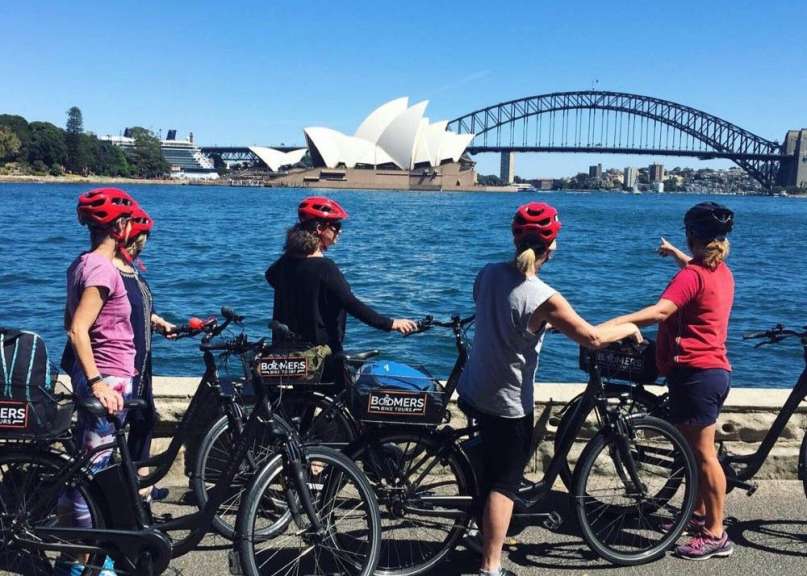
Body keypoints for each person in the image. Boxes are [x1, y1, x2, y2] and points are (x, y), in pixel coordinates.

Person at [456, 202, 642, 576]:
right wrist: (627, 328)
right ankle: (490, 566)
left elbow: (502, 314)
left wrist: (541, 326)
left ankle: (480, 532)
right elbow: (591, 337)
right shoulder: (543, 295)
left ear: (513, 237)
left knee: (489, 466)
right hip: (507, 401)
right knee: (504, 483)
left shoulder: (488, 273)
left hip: (474, 387)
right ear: (552, 246)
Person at [602, 201, 735, 561]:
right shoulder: (719, 270)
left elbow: (663, 310)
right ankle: (699, 516)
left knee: (704, 456)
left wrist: (617, 322)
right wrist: (676, 254)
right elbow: (694, 276)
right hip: (712, 373)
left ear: (692, 234)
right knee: (696, 452)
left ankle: (716, 534)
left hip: (695, 374)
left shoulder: (692, 276)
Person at [58, 187, 139, 576]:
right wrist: (97, 383)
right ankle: (77, 564)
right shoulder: (104, 268)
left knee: (96, 470)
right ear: (119, 225)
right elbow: (77, 329)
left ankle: (91, 556)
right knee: (89, 475)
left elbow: (67, 321)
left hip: (105, 376)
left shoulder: (81, 262)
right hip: (105, 378)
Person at [265, 196, 417, 387]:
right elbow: (351, 304)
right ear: (319, 229)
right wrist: (391, 324)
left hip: (287, 354)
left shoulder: (284, 264)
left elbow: (270, 276)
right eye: (335, 226)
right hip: (320, 356)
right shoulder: (324, 268)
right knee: (339, 405)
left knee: (295, 409)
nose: (340, 232)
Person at [114, 205, 175, 501]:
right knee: (121, 426)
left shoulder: (130, 271)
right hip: (120, 366)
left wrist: (158, 321)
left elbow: (135, 309)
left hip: (140, 361)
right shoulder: (111, 271)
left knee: (144, 419)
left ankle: (141, 486)